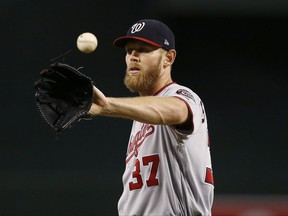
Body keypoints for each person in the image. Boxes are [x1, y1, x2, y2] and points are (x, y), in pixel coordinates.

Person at [88, 19, 214, 216]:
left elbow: (178, 111)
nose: (133, 56)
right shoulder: (141, 114)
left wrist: (107, 106)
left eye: (143, 49)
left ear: (168, 58)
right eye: (129, 51)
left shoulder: (182, 96)